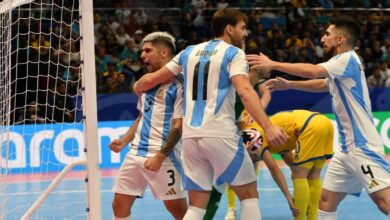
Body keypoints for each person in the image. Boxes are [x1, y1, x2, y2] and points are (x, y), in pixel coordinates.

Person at [134, 8, 288, 220]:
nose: (245, 34)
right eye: (243, 28)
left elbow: (149, 80)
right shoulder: (235, 54)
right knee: (249, 195)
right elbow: (244, 90)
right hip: (220, 133)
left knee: (196, 206)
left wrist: (138, 86)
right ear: (229, 28)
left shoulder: (188, 52)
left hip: (190, 139)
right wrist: (268, 127)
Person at [247, 17, 390, 219]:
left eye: (327, 34)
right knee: (326, 201)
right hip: (345, 150)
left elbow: (314, 71)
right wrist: (289, 85)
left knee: (384, 203)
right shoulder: (340, 68)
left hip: (363, 146)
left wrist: (274, 64)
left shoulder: (346, 58)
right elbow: (322, 84)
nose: (323, 39)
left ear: (340, 39)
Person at [109, 32, 187, 220]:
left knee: (177, 209)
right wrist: (125, 139)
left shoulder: (180, 86)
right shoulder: (147, 84)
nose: (142, 55)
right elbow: (141, 117)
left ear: (164, 52)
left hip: (163, 156)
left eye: (147, 50)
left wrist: (160, 156)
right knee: (119, 205)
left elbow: (179, 125)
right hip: (135, 153)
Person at [204, 80, 299, 220]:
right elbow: (274, 169)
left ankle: (248, 210)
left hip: (253, 140)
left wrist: (265, 89)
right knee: (233, 179)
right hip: (238, 143)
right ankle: (231, 209)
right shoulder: (230, 108)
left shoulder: (254, 109)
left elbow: (265, 97)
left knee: (250, 183)